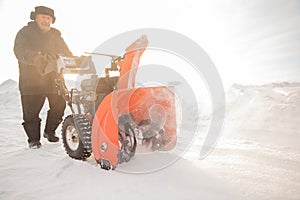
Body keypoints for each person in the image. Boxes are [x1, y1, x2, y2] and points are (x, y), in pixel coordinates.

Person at [14, 6, 73, 149]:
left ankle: (49, 131)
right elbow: (20, 51)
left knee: (59, 106)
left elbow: (67, 53)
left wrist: (72, 60)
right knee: (31, 112)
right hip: (31, 81)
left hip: (54, 79)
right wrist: (36, 58)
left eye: (48, 18)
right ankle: (33, 140)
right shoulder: (25, 33)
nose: (46, 20)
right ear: (35, 18)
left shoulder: (56, 35)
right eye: (43, 17)